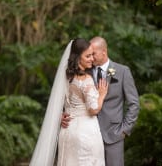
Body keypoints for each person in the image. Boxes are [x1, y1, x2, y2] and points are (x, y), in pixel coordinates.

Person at [61, 36, 140, 166]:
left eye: (94, 53)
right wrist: (62, 114)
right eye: (89, 54)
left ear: (104, 51)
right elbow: (70, 96)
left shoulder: (122, 71)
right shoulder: (83, 70)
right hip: (87, 135)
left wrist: (124, 130)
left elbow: (134, 104)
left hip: (113, 136)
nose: (91, 57)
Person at [29, 38, 108, 166]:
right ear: (77, 58)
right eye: (87, 56)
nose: (92, 59)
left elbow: (60, 102)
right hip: (85, 132)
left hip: (67, 131)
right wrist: (102, 95)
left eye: (92, 55)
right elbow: (93, 109)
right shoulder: (86, 79)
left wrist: (61, 116)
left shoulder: (67, 76)